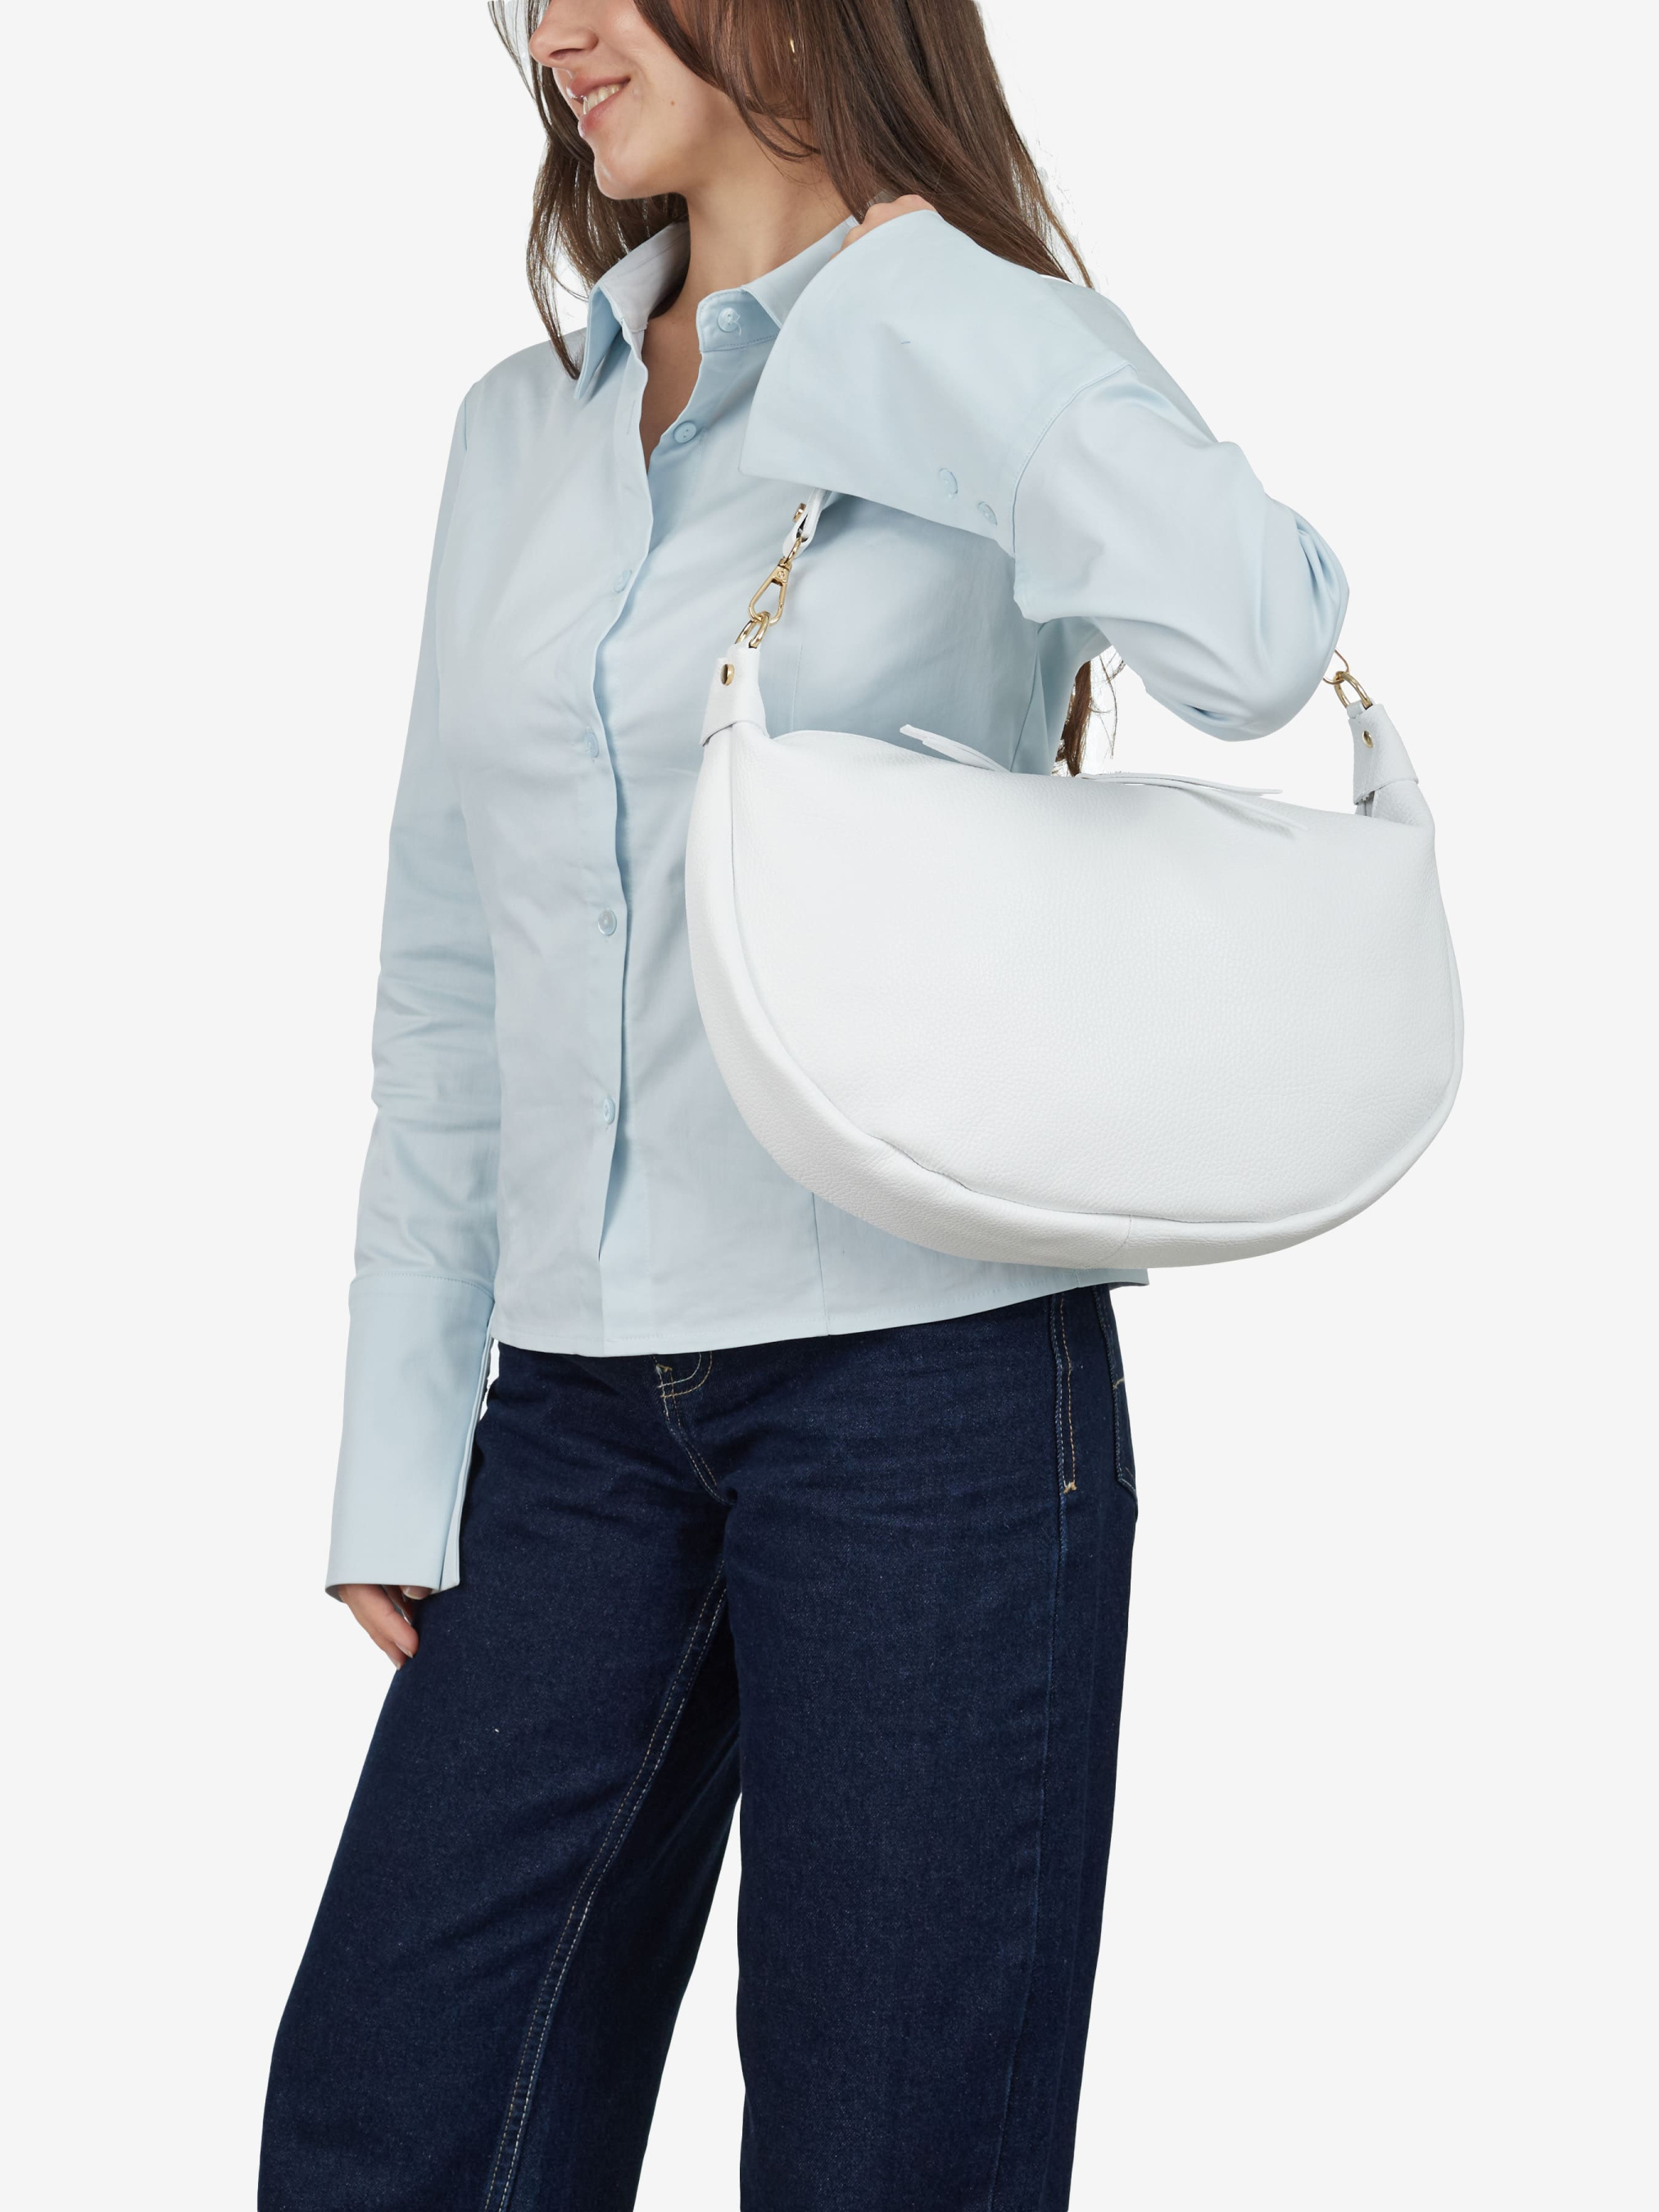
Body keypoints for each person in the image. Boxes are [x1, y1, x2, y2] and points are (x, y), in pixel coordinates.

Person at [259, 2, 1347, 2205]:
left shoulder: (973, 348)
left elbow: (1255, 644)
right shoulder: (520, 428)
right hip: (569, 1413)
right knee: (390, 2122)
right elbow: (452, 959)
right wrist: (403, 1421)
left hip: (923, 1384)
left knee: (884, 2164)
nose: (556, 28)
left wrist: (905, 279)